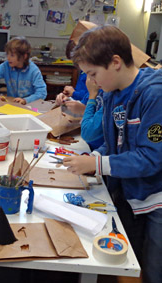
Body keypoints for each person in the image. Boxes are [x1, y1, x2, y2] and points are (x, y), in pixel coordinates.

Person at [63, 25, 162, 283]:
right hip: (132, 194)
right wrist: (93, 159)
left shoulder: (154, 95)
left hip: (156, 198)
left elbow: (151, 158)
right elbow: (114, 142)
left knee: (153, 269)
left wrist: (97, 162)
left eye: (93, 74)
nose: (91, 82)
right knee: (130, 262)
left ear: (115, 62)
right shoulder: (111, 94)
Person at [0, 36, 47, 105]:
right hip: (12, 105)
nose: (8, 58)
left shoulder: (33, 70)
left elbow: (42, 93)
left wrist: (25, 100)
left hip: (30, 106)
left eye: (12, 55)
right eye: (7, 54)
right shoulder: (6, 66)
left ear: (24, 56)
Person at [80, 77, 104, 151]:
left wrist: (92, 96)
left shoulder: (110, 92)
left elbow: (87, 132)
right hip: (92, 148)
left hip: (101, 148)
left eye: (93, 73)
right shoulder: (95, 88)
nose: (89, 80)